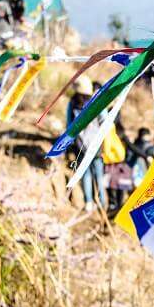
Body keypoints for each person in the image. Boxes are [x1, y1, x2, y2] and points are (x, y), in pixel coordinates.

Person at [67, 76, 106, 211]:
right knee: (99, 174)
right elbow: (105, 120)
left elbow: (69, 125)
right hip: (96, 144)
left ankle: (89, 202)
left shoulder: (72, 103)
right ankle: (102, 201)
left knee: (86, 173)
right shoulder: (96, 102)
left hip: (80, 144)